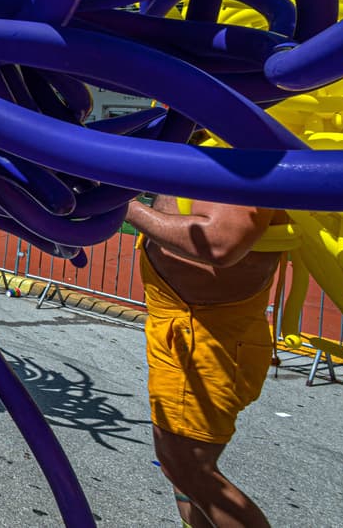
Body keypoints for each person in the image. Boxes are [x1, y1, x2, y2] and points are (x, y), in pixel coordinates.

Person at [125, 192, 288, 528]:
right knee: (183, 472)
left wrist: (126, 208)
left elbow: (219, 243)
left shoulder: (245, 161)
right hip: (186, 327)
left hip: (209, 334)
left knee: (188, 467)